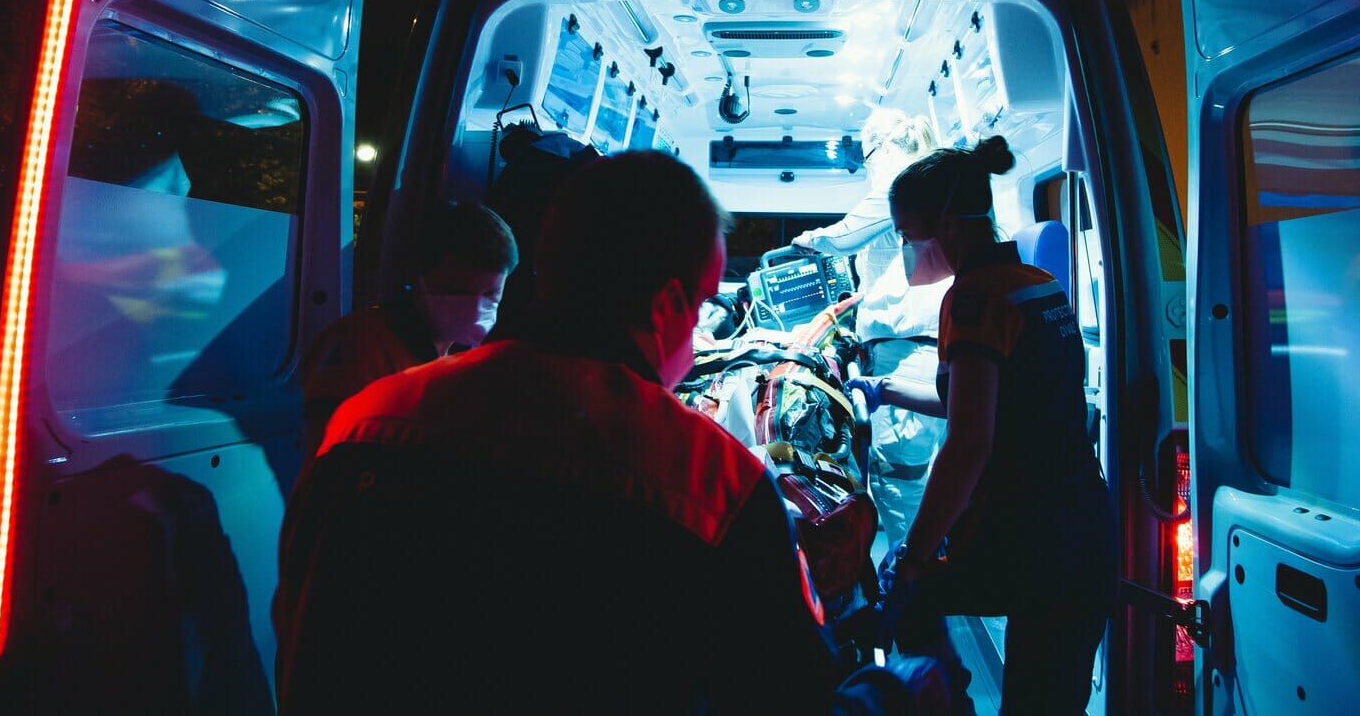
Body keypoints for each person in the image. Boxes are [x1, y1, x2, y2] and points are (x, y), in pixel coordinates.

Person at [273, 152, 842, 713]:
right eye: (699, 305)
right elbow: (789, 692)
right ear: (668, 303)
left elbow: (301, 633)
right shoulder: (715, 480)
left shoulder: (367, 418)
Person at [870, 136, 1115, 715]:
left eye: (908, 237)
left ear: (947, 225)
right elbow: (993, 403)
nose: (908, 250)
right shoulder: (1039, 285)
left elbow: (970, 442)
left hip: (1035, 541)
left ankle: (943, 700)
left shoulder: (972, 299)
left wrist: (914, 557)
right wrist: (885, 391)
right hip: (1084, 528)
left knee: (907, 590)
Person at [792, 107, 948, 549]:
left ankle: (912, 589)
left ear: (878, 149)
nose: (866, 166)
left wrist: (806, 240)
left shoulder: (899, 183)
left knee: (900, 485)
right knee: (922, 482)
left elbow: (843, 236)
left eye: (865, 155)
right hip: (923, 349)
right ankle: (925, 581)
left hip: (906, 355)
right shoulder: (927, 183)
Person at [298, 200, 517, 458]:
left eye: (491, 294)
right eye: (459, 293)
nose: (476, 308)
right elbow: (332, 466)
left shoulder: (458, 357)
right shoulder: (361, 349)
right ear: (420, 280)